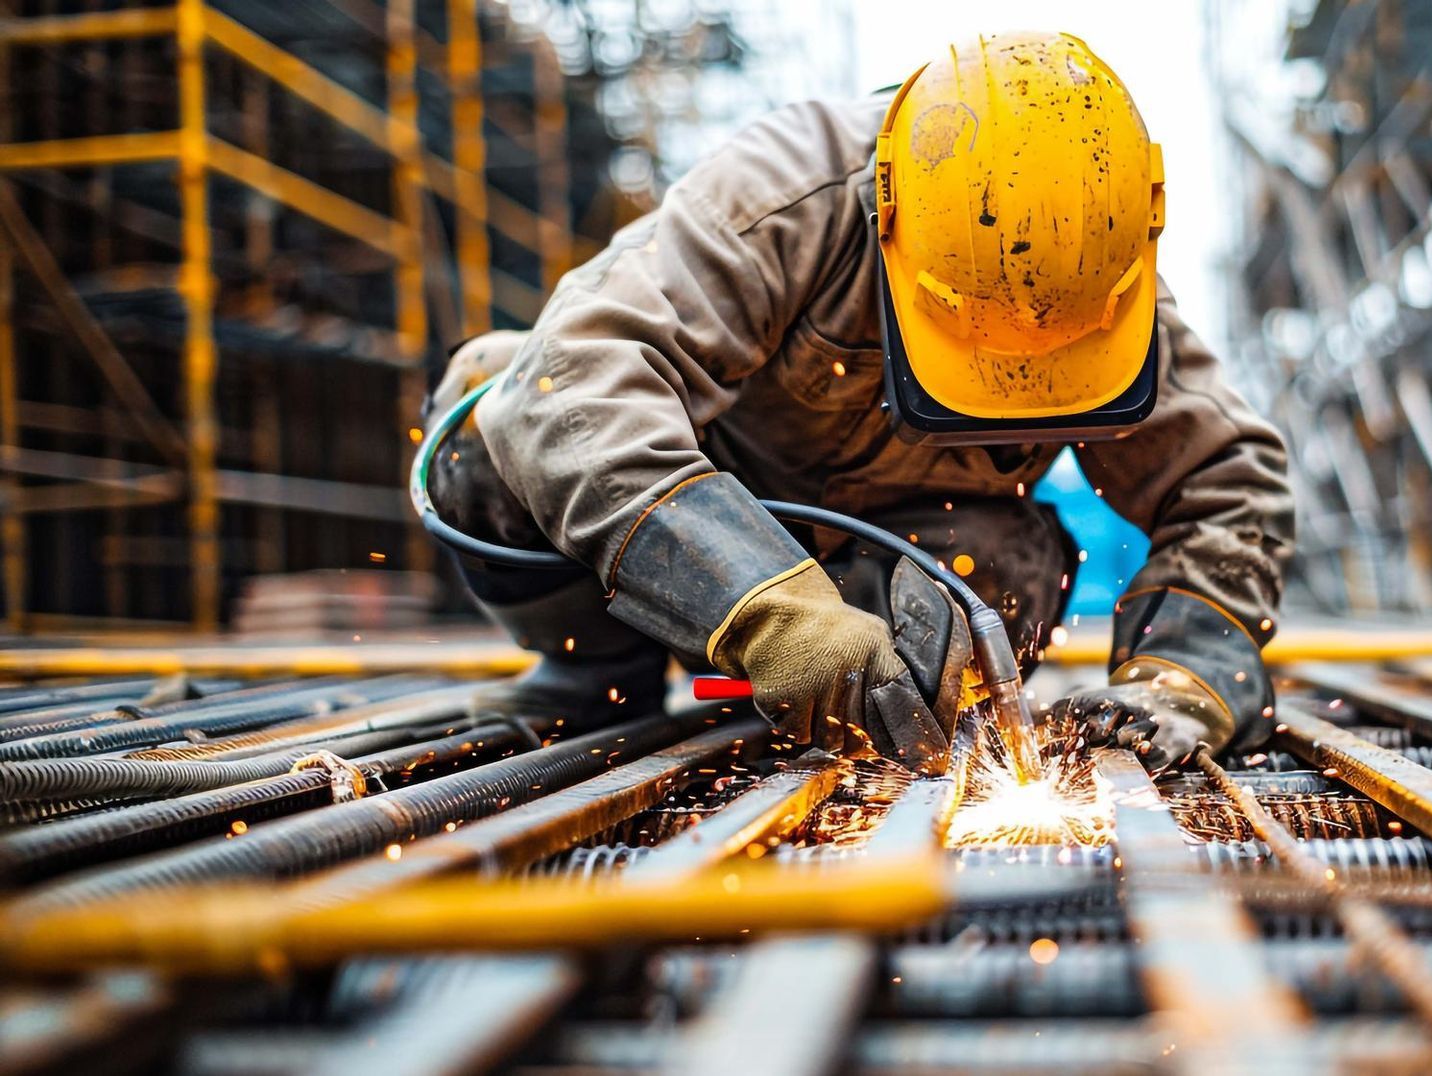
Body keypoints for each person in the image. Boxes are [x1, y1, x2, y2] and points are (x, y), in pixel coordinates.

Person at [424, 31, 1292, 775]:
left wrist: (1181, 681)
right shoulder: (783, 193)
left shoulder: (1094, 269)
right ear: (891, 221)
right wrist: (772, 613)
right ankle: (597, 678)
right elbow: (573, 377)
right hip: (704, 556)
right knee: (492, 405)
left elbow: (1229, 479)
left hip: (899, 586)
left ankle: (888, 713)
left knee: (999, 565)